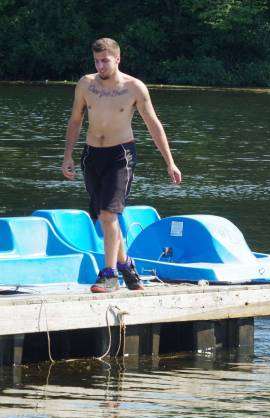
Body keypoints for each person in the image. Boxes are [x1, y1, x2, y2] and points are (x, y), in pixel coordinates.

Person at [61, 38, 182, 293]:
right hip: (92, 155)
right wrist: (68, 155)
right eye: (96, 61)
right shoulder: (85, 84)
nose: (100, 65)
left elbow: (153, 124)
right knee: (104, 218)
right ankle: (127, 266)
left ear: (117, 59)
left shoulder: (134, 88)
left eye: (105, 60)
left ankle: (109, 275)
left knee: (108, 214)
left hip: (121, 156)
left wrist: (170, 162)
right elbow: (75, 120)